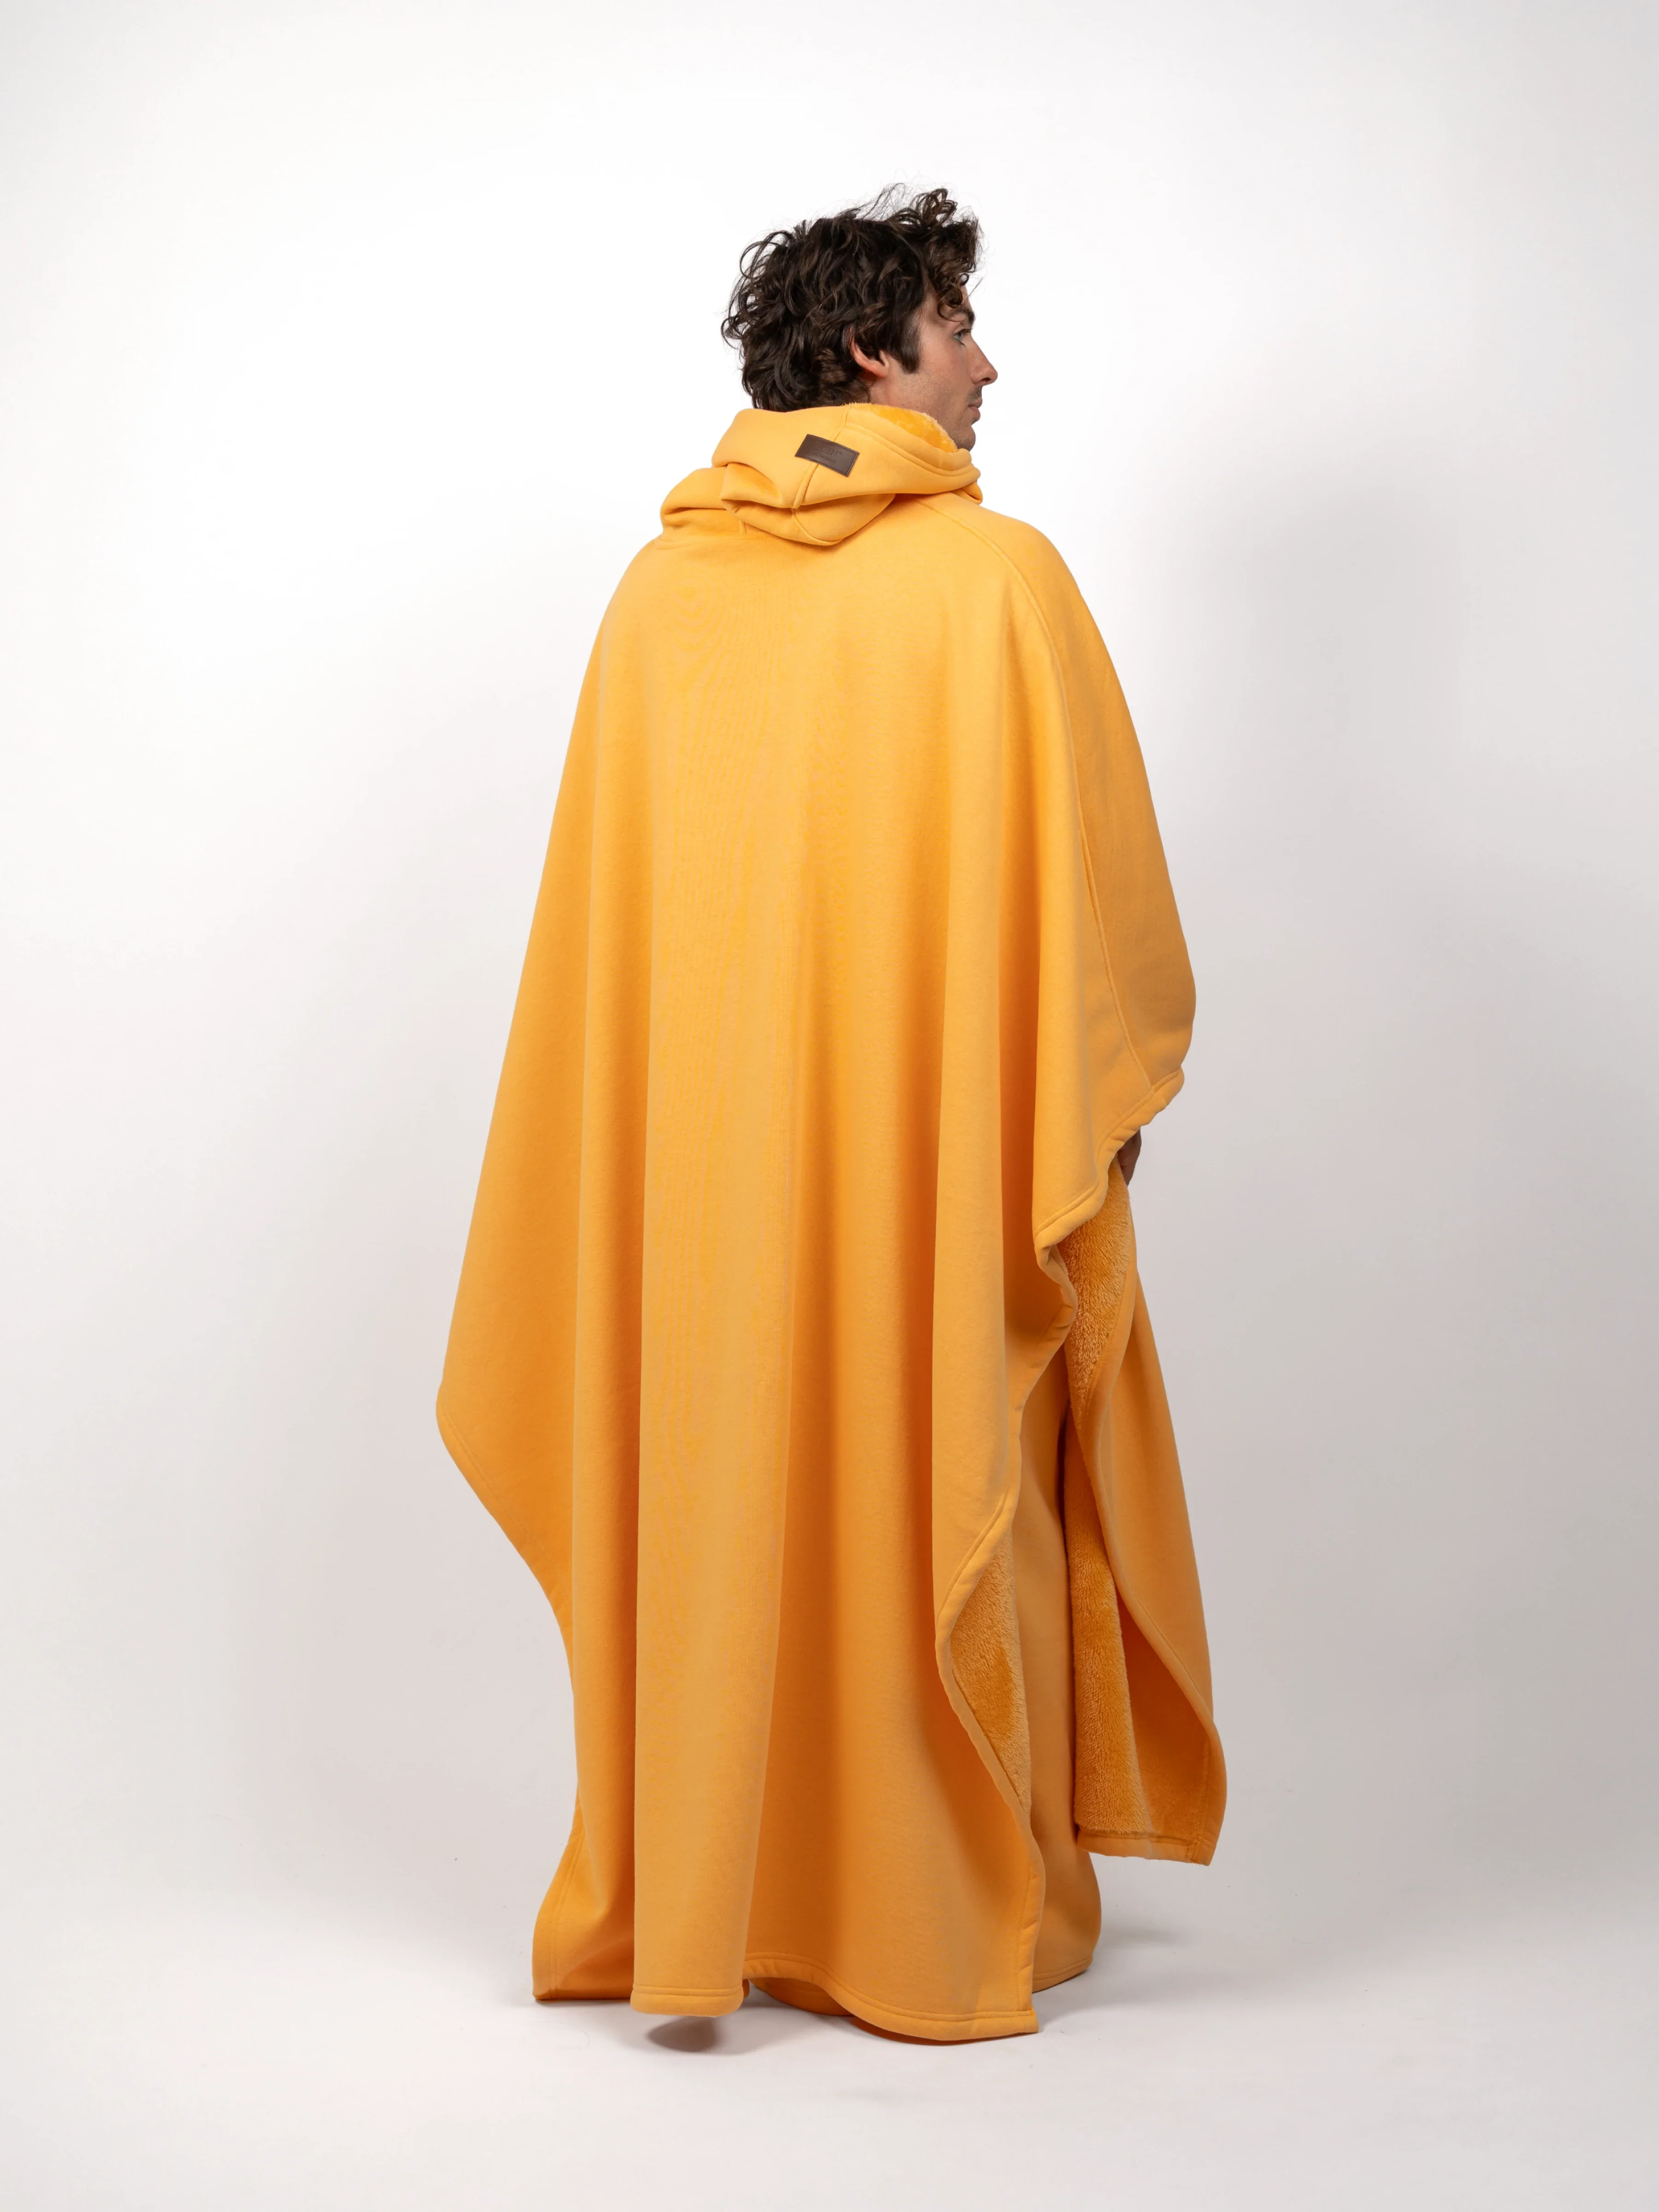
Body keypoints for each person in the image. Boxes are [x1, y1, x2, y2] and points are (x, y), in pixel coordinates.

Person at [438, 187, 1224, 2043]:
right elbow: (1099, 900)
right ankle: (929, 1911)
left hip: (703, 1194)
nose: (987, 364)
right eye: (957, 327)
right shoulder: (997, 581)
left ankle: (709, 1893)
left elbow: (614, 954)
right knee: (938, 1446)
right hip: (927, 1175)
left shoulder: (660, 603)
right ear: (875, 351)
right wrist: (1090, 1111)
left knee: (716, 1479)